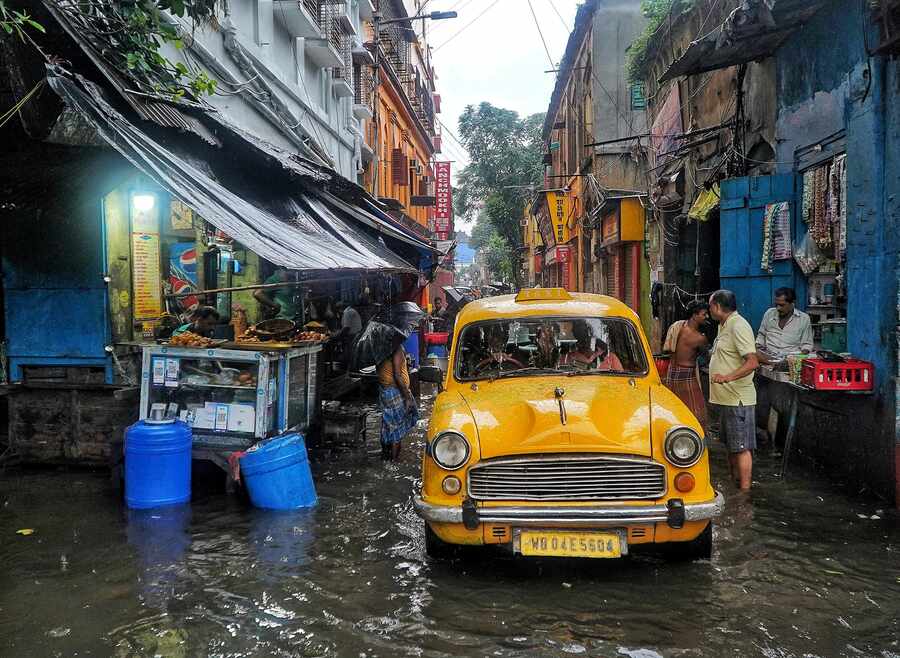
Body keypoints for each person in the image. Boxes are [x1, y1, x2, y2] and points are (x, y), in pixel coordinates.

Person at [708, 290, 759, 491]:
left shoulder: (738, 326)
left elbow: (752, 361)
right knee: (732, 446)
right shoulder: (724, 326)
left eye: (711, 306)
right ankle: (734, 484)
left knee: (742, 447)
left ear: (718, 307)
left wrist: (727, 377)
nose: (709, 310)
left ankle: (745, 491)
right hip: (726, 398)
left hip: (738, 398)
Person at [663, 301, 710, 427]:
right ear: (694, 315)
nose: (707, 317)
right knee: (696, 411)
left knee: (675, 407)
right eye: (704, 314)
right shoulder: (699, 338)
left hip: (673, 372)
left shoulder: (679, 326)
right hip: (686, 375)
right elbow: (708, 356)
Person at [377, 332, 418, 460]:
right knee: (397, 428)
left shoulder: (381, 348)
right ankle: (394, 462)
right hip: (395, 392)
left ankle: (385, 457)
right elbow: (397, 375)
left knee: (387, 424)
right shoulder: (397, 348)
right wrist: (407, 398)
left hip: (385, 390)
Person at [756, 287, 814, 362]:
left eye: (782, 305)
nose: (778, 308)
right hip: (768, 358)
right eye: (776, 305)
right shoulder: (769, 313)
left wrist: (798, 358)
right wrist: (758, 347)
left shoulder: (804, 319)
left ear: (792, 304)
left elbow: (807, 345)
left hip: (791, 360)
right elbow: (761, 335)